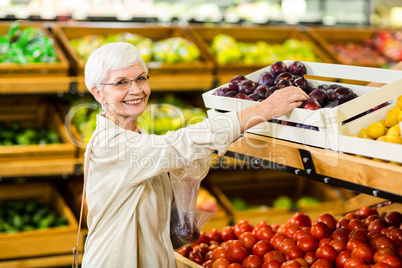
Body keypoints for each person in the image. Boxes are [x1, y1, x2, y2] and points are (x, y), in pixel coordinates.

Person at [81, 42, 308, 267]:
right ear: (98, 93)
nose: (136, 90)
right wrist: (262, 110)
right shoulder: (109, 146)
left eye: (141, 78)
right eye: (121, 82)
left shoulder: (137, 134)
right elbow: (179, 144)